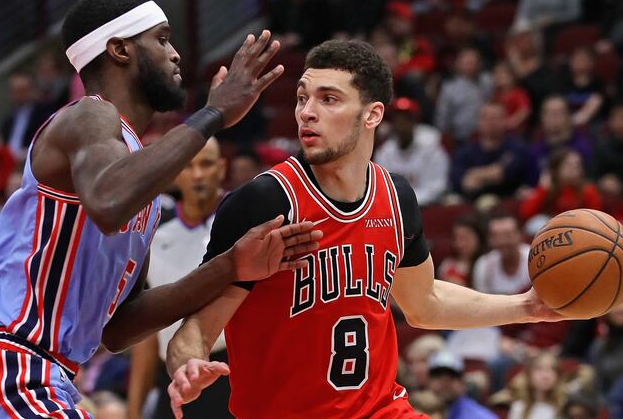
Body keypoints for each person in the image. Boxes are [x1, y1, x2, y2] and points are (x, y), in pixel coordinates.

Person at [0, 0, 321, 418]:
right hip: (9, 372)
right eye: (161, 39)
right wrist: (213, 113)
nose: (176, 54)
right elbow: (108, 199)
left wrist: (231, 266)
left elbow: (118, 328)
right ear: (119, 49)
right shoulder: (89, 116)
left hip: (46, 379)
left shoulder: (140, 182)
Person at [165, 39, 567, 419]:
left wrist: (526, 306)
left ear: (372, 114)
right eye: (302, 97)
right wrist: (186, 365)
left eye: (328, 99)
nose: (307, 111)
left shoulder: (396, 198)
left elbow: (424, 303)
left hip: (382, 409)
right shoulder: (264, 203)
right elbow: (197, 328)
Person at [126, 138, 232, 419]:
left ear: (222, 169)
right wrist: (133, 411)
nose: (198, 175)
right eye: (188, 166)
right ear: (176, 174)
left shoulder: (242, 224)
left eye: (206, 164)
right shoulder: (154, 237)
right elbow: (146, 338)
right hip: (174, 378)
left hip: (232, 374)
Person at [374, 97, 449, 205]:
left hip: (426, 207)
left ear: (415, 122)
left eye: (406, 119)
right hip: (394, 208)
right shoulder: (385, 151)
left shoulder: (432, 150)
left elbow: (437, 188)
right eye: (398, 119)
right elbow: (380, 188)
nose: (401, 124)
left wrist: (407, 202)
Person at [426, 350, 497, 419]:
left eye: (451, 376)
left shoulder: (479, 416)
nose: (444, 383)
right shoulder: (418, 411)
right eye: (438, 376)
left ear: (462, 383)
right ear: (428, 381)